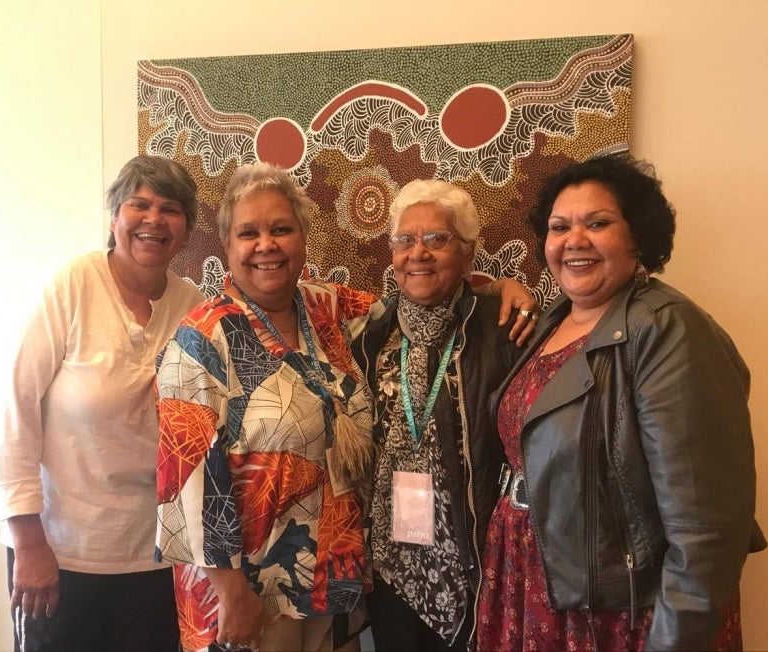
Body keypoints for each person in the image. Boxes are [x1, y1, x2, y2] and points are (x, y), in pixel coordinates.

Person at [153, 165, 538, 652]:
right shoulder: (199, 342)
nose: (266, 245)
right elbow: (185, 479)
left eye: (281, 229)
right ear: (226, 246)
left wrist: (497, 289)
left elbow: (422, 295)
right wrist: (229, 592)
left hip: (329, 578)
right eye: (248, 233)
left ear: (304, 238)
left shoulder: (328, 308)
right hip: (247, 587)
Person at [476, 153, 765, 652]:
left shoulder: (667, 328)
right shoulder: (553, 319)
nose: (574, 241)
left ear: (638, 238)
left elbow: (706, 524)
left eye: (598, 223)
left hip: (621, 610)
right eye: (559, 226)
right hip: (533, 576)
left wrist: (676, 638)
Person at [0, 155, 205, 651]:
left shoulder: (192, 303)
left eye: (170, 209)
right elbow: (16, 412)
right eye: (139, 204)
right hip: (61, 552)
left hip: (154, 556)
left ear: (186, 229)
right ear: (115, 218)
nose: (153, 219)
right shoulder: (72, 285)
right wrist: (28, 542)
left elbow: (198, 429)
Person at [351, 179, 534, 652]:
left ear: (468, 252)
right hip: (390, 554)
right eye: (405, 239)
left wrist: (505, 287)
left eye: (437, 239)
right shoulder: (371, 333)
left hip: (472, 551)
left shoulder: (503, 327)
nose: (419, 253)